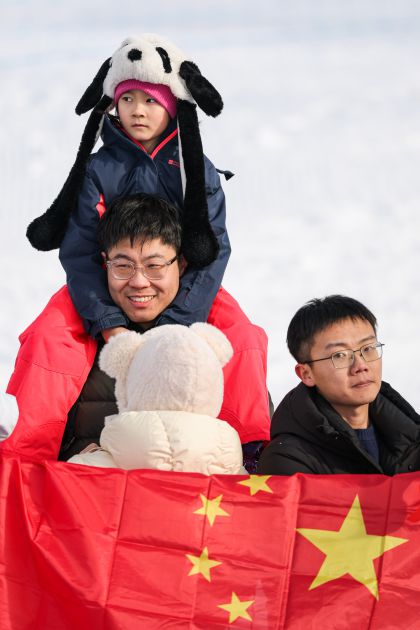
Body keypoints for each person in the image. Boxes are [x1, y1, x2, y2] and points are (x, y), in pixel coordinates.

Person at [3, 195, 270, 471]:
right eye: (123, 266)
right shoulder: (67, 343)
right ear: (105, 264)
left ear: (181, 265)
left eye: (154, 266)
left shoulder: (212, 349)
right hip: (88, 493)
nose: (139, 282)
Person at [26, 33, 231, 342]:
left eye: (151, 100)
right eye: (127, 99)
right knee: (47, 337)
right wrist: (107, 320)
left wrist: (179, 320)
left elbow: (215, 249)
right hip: (108, 290)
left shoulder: (196, 171)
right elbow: (80, 251)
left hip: (185, 293)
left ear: (173, 105)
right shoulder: (97, 171)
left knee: (244, 338)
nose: (137, 110)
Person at [258, 295, 420, 476]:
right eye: (340, 355)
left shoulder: (413, 436)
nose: (361, 365)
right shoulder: (286, 459)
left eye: (368, 348)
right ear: (306, 374)